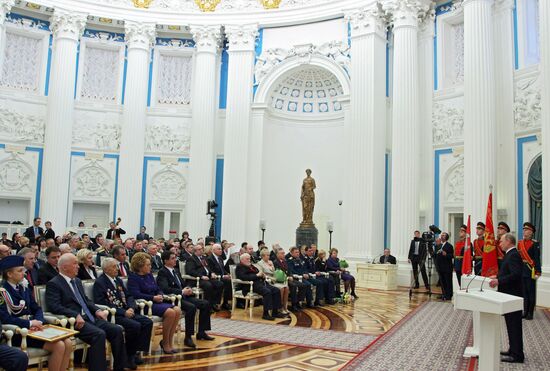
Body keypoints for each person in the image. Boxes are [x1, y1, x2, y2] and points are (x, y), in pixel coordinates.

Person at [45, 253, 128, 371]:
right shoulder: (54, 283)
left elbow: (86, 300)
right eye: (74, 263)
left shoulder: (77, 281)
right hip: (73, 322)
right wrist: (75, 315)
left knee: (116, 330)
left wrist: (97, 310)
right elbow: (55, 307)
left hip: (89, 317)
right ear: (64, 267)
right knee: (99, 334)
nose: (78, 266)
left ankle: (119, 367)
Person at [0, 255, 72, 371]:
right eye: (19, 271)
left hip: (33, 328)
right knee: (59, 345)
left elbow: (36, 308)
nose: (23, 273)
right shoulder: (3, 292)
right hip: (17, 332)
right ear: (9, 274)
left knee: (67, 342)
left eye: (23, 270)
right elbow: (5, 319)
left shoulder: (23, 287)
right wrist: (29, 324)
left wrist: (38, 321)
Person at [93, 258, 153, 368]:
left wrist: (131, 307)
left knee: (147, 322)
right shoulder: (100, 283)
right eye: (114, 267)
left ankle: (136, 351)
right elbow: (101, 303)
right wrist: (123, 312)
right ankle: (129, 356)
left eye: (116, 266)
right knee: (134, 325)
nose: (117, 269)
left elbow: (129, 295)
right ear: (106, 269)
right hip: (114, 315)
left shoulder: (117, 280)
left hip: (126, 310)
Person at [156, 251, 214, 348]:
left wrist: (188, 288)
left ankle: (201, 332)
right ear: (166, 261)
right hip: (173, 299)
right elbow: (165, 289)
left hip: (183, 296)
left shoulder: (176, 270)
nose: (175, 260)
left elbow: (183, 283)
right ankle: (188, 336)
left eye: (175, 257)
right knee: (191, 308)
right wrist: (182, 292)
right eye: (173, 258)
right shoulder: (163, 272)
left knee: (205, 303)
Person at [127, 252, 181, 354]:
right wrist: (153, 297)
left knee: (177, 310)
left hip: (155, 302)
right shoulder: (133, 278)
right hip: (145, 305)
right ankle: (165, 342)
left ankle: (169, 341)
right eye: (147, 265)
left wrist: (160, 295)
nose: (150, 266)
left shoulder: (149, 275)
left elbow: (157, 288)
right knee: (170, 313)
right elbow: (135, 294)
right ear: (140, 266)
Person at [489, 233, 524, 363]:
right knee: (511, 324)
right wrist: (497, 277)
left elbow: (515, 274)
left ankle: (517, 355)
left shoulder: (513, 255)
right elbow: (508, 272)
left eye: (502, 241)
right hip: (508, 295)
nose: (500, 243)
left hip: (512, 295)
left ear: (509, 241)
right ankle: (513, 350)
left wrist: (499, 281)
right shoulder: (510, 254)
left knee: (514, 325)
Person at [236, 253, 286, 320]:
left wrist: (262, 275)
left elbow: (258, 272)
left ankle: (275, 312)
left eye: (249, 259)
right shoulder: (240, 267)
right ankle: (265, 314)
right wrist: (257, 275)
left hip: (260, 283)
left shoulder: (251, 266)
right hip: (250, 285)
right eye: (247, 259)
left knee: (276, 290)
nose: (249, 260)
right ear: (242, 260)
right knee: (267, 292)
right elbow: (243, 277)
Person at [185, 244, 223, 310]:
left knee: (219, 284)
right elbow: (190, 271)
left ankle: (215, 303)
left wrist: (212, 273)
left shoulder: (204, 258)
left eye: (202, 249)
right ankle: (208, 305)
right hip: (197, 280)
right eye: (199, 249)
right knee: (208, 285)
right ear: (195, 251)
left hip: (207, 277)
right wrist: (201, 276)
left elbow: (208, 268)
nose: (201, 250)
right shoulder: (191, 259)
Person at [517, 222, 541, 320]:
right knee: (524, 293)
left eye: (527, 230)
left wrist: (537, 272)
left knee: (531, 292)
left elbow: (537, 259)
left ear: (531, 232)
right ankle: (525, 311)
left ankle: (530, 312)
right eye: (524, 230)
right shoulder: (520, 243)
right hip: (522, 270)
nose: (524, 231)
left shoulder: (535, 244)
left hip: (530, 270)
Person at [257, 248, 290, 314]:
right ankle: (279, 308)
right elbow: (262, 274)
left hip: (274, 279)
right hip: (267, 280)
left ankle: (284, 307)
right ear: (263, 256)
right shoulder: (259, 263)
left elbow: (274, 272)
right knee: (281, 288)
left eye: (269, 255)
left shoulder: (270, 262)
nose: (269, 257)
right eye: (267, 255)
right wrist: (271, 278)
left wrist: (272, 267)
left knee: (287, 288)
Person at [207, 244, 232, 310]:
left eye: (221, 249)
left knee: (229, 281)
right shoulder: (210, 259)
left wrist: (228, 274)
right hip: (214, 277)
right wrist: (223, 276)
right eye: (219, 249)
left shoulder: (220, 258)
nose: (221, 250)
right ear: (213, 250)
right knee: (221, 283)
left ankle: (225, 302)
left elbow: (223, 269)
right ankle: (215, 303)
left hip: (221, 276)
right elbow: (211, 271)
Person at [435, 232, 454, 300]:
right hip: (440, 267)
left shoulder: (449, 246)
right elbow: (435, 255)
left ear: (446, 237)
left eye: (443, 235)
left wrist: (446, 254)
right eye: (441, 235)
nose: (442, 236)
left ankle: (449, 295)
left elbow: (452, 256)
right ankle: (443, 294)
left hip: (447, 268)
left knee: (448, 282)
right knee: (442, 283)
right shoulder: (439, 245)